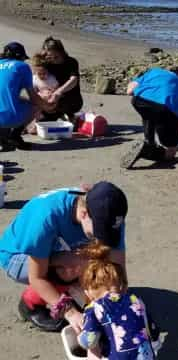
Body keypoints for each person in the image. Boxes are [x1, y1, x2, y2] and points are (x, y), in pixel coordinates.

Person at [0, 182, 128, 333]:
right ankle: (31, 303)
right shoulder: (46, 218)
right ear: (84, 214)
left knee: (99, 262)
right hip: (18, 257)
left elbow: (117, 265)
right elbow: (37, 277)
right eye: (99, 232)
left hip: (57, 248)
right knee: (76, 266)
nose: (103, 236)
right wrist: (71, 312)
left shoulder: (109, 215)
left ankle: (72, 290)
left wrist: (117, 299)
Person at [78, 242, 158, 359]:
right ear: (122, 286)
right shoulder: (135, 299)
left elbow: (89, 340)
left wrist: (80, 338)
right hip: (145, 355)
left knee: (93, 349)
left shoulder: (94, 308)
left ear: (88, 292)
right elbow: (153, 329)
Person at [121, 66, 178, 169]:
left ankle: (149, 141)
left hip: (138, 101)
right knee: (171, 152)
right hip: (162, 109)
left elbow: (130, 90)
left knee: (149, 113)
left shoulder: (154, 72)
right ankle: (147, 150)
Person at [0, 42, 52, 151]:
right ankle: (15, 135)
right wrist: (47, 106)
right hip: (8, 119)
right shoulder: (22, 66)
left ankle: (3, 136)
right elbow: (33, 97)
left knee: (12, 99)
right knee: (36, 104)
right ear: (19, 57)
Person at [41, 37, 83, 122]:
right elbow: (36, 78)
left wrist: (58, 92)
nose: (53, 60)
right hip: (50, 98)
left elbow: (74, 80)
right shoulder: (47, 63)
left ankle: (68, 115)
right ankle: (62, 116)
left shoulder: (71, 62)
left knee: (63, 106)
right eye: (50, 57)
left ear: (62, 53)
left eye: (56, 57)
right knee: (44, 121)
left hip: (71, 99)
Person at [26, 53, 60, 134]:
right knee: (31, 107)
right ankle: (27, 125)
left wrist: (51, 97)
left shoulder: (51, 79)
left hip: (50, 100)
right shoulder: (34, 78)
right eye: (39, 74)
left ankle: (34, 126)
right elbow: (33, 91)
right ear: (35, 71)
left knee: (41, 104)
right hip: (40, 100)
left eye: (44, 73)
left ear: (47, 71)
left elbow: (57, 91)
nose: (42, 76)